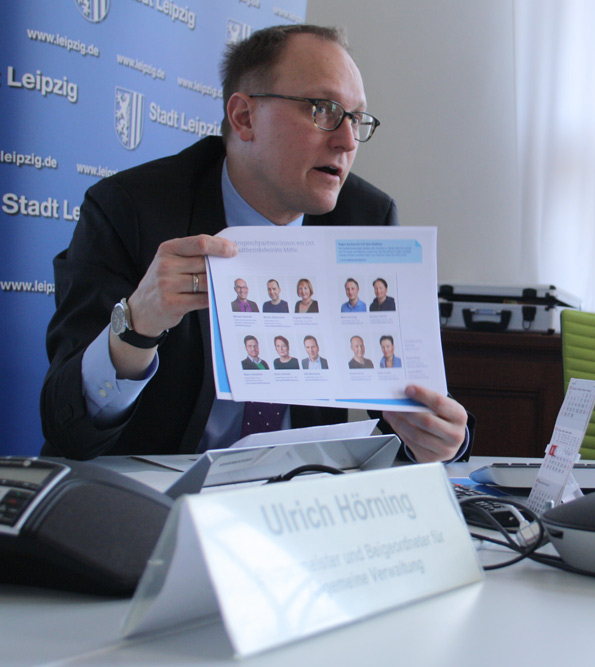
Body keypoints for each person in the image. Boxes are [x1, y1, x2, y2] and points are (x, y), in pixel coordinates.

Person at [41, 24, 471, 464]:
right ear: (244, 117)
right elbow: (65, 425)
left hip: (297, 505)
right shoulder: (132, 210)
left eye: (356, 119)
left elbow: (414, 408)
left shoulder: (366, 220)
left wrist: (439, 438)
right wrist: (136, 325)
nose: (345, 141)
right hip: (156, 506)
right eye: (323, 110)